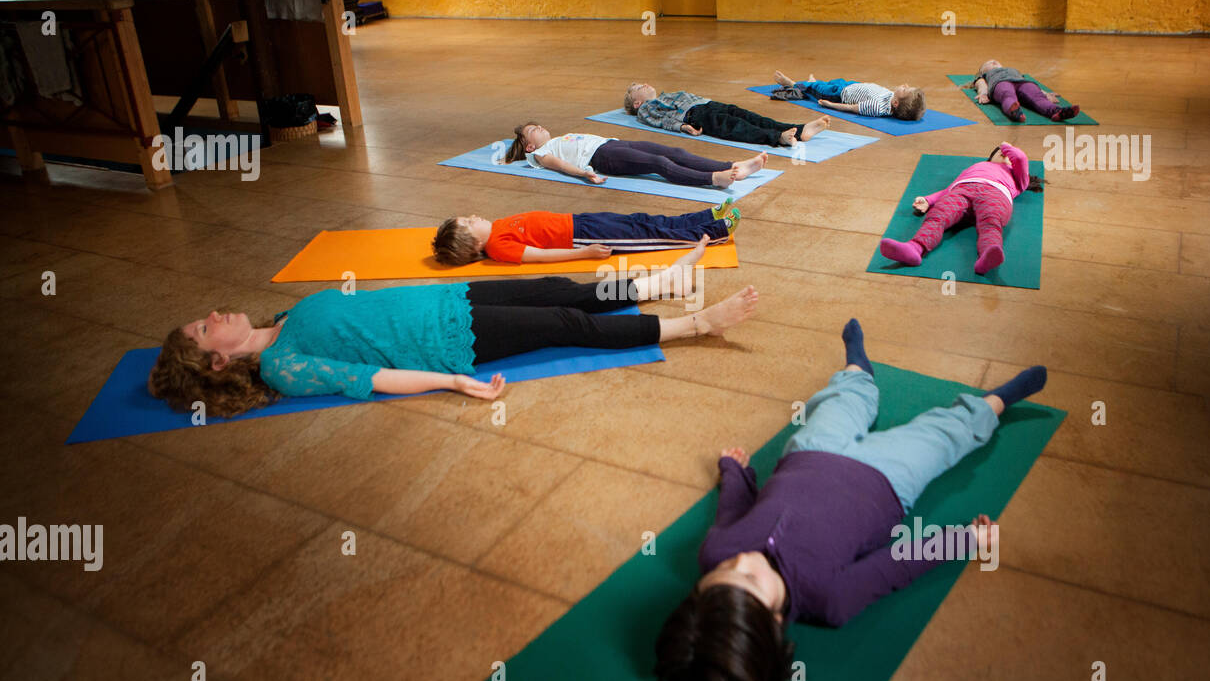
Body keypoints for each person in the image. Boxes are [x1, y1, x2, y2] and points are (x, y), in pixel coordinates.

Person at [653, 318, 1046, 681]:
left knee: (843, 398)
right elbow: (897, 564)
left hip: (812, 451)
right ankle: (998, 401)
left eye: (723, 573)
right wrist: (965, 540)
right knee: (945, 435)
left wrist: (735, 472)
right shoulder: (828, 599)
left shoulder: (715, 554)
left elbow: (733, 512)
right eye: (750, 580)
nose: (740, 561)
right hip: (888, 476)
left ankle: (857, 363)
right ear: (775, 620)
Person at [148, 240, 758, 418]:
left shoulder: (278, 321)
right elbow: (372, 378)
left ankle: (658, 285)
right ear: (217, 363)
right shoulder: (285, 366)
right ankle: (696, 324)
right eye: (206, 329)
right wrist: (451, 383)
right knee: (566, 323)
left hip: (449, 297)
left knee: (560, 289)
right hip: (450, 340)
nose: (217, 315)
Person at [878, 142, 1044, 276]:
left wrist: (1006, 146)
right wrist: (929, 200)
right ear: (990, 158)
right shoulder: (977, 166)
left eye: (1008, 156)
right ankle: (914, 248)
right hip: (962, 190)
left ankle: (987, 255)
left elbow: (1020, 158)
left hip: (995, 193)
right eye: (999, 153)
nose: (1005, 155)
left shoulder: (1019, 179)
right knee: (939, 215)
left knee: (990, 223)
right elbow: (948, 189)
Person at [433, 200, 739, 267]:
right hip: (583, 237)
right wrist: (585, 252)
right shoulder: (499, 246)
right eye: (470, 222)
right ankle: (716, 231)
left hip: (581, 221)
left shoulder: (497, 226)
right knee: (649, 234)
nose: (475, 215)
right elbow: (540, 256)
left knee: (643, 220)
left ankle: (704, 216)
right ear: (474, 243)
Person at [504, 122, 767, 188]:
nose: (538, 127)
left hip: (613, 144)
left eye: (536, 124)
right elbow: (561, 166)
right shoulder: (540, 154)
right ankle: (714, 178)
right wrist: (585, 173)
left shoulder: (559, 138)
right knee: (658, 163)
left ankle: (734, 166)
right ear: (529, 146)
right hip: (603, 158)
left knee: (672, 150)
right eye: (532, 131)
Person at [624, 83, 830, 147]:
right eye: (637, 87)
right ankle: (778, 138)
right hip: (694, 115)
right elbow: (658, 120)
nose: (644, 84)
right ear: (637, 102)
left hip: (707, 104)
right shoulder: (646, 108)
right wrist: (681, 127)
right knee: (735, 126)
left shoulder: (665, 94)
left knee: (749, 116)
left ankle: (800, 130)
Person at [772, 70, 925, 121]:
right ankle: (814, 83)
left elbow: (852, 108)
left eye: (905, 89)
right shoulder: (893, 98)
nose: (904, 85)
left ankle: (792, 83)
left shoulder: (878, 107)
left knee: (815, 88)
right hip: (850, 85)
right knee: (827, 83)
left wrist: (830, 105)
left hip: (839, 95)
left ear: (896, 103)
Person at [971, 59, 1080, 123]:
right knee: (1007, 95)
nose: (993, 62)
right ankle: (1014, 112)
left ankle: (1057, 112)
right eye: (988, 63)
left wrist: (1045, 93)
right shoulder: (985, 76)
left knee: (1037, 97)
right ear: (982, 71)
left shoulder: (1013, 70)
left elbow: (1026, 81)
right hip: (1000, 84)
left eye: (995, 61)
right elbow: (981, 85)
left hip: (1022, 82)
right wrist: (983, 94)